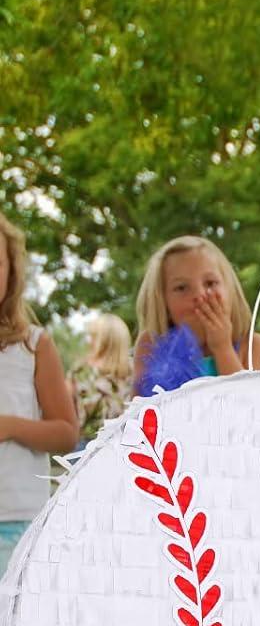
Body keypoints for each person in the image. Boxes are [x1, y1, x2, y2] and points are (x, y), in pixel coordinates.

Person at [0, 211, 79, 575]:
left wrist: (11, 426)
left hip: (18, 521)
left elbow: (66, 432)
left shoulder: (33, 345)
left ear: (12, 272)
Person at [133, 235, 260, 393]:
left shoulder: (254, 346)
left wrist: (222, 348)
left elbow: (253, 409)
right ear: (163, 301)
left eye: (210, 283)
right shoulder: (151, 345)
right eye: (182, 288)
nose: (200, 295)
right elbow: (136, 413)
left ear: (230, 291)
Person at [74, 312, 134, 443]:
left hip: (87, 445)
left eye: (92, 336)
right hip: (126, 443)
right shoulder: (135, 369)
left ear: (99, 340)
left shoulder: (81, 372)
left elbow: (70, 416)